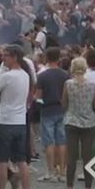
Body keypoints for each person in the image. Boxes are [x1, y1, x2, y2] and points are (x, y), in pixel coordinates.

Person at [0, 44, 38, 189]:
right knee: (22, 160)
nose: (3, 58)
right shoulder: (25, 75)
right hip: (20, 121)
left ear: (15, 57)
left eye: (6, 55)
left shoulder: (7, 76)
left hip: (5, 120)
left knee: (2, 160)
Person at [61, 57, 95, 189]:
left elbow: (64, 103)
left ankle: (69, 188)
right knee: (88, 156)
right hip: (89, 122)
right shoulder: (91, 85)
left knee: (72, 156)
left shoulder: (68, 84)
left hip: (72, 121)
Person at [35, 47, 69, 182]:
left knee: (49, 142)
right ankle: (62, 171)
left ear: (47, 58)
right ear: (59, 58)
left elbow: (38, 96)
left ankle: (50, 171)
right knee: (62, 141)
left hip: (47, 110)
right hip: (62, 109)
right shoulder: (65, 75)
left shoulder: (42, 76)